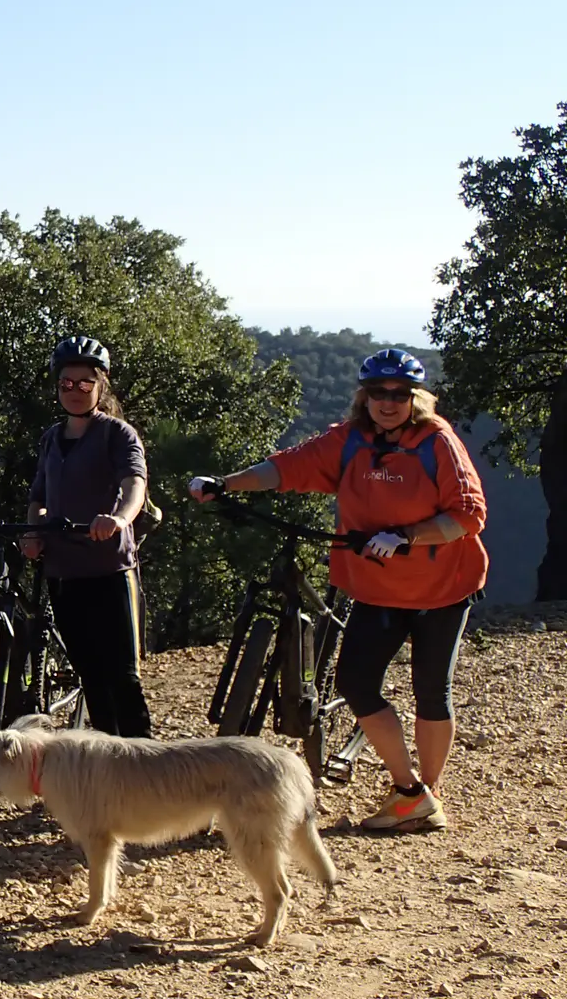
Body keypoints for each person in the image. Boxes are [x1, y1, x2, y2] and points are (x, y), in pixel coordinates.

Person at [188, 347, 487, 833]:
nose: (388, 402)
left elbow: (469, 515)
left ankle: (424, 796)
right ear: (363, 398)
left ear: (416, 398)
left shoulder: (438, 444)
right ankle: (411, 790)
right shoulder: (349, 441)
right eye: (377, 393)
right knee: (356, 683)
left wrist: (407, 536)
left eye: (399, 393)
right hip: (375, 586)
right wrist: (227, 483)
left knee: (432, 690)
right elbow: (288, 468)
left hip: (442, 588)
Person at [21, 336, 154, 739]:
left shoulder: (117, 434)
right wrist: (32, 532)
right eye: (66, 383)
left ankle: (145, 767)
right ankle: (110, 768)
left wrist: (118, 518)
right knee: (91, 675)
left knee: (123, 677)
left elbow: (135, 485)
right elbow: (39, 498)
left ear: (101, 385)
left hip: (110, 570)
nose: (75, 391)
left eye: (84, 383)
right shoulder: (50, 438)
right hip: (64, 573)